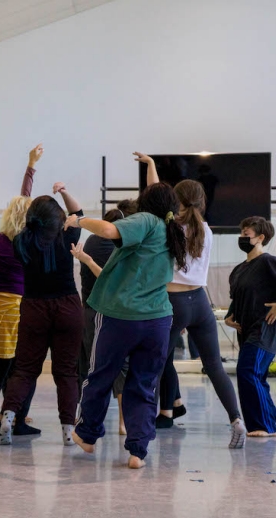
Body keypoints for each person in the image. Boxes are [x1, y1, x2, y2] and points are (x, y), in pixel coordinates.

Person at [68, 179, 188, 469]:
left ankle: (87, 433)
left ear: (146, 203)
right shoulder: (172, 229)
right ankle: (138, 450)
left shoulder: (145, 220)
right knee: (145, 384)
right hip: (158, 319)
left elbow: (109, 230)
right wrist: (149, 165)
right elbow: (159, 193)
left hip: (121, 316)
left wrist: (79, 220)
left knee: (99, 375)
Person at [132, 152, 247, 448]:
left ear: (176, 201)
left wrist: (151, 166)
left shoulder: (168, 227)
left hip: (173, 303)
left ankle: (146, 427)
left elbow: (153, 195)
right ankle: (236, 420)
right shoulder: (205, 229)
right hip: (200, 303)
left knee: (154, 365)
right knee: (214, 366)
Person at [0, 181, 84, 446]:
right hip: (67, 307)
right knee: (67, 372)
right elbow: (79, 214)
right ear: (55, 217)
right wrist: (64, 191)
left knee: (24, 369)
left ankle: (8, 417)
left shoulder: (21, 241)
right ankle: (68, 431)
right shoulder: (66, 235)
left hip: (34, 307)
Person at [0, 145, 41, 431]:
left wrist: (30, 166)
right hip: (14, 305)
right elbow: (25, 201)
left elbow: (22, 200)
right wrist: (30, 166)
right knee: (18, 366)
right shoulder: (27, 244)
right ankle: (12, 416)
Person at [225, 216, 276, 437]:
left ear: (260, 238)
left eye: (246, 234)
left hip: (266, 329)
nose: (242, 237)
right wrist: (229, 316)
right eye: (241, 233)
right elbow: (237, 297)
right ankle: (270, 416)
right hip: (247, 329)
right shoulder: (239, 270)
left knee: (248, 370)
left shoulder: (270, 262)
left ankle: (264, 426)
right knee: (256, 375)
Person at [74, 200, 137, 435]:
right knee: (118, 368)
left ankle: (86, 420)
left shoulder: (91, 240)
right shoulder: (118, 245)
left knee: (91, 369)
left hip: (89, 311)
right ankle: (122, 422)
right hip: (111, 314)